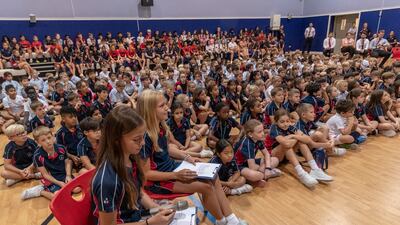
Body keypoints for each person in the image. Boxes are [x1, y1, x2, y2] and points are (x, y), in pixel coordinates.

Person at [137, 90, 248, 225]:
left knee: (213, 175)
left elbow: (169, 149)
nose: (167, 108)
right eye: (162, 106)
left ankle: (231, 220)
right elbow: (147, 174)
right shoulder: (143, 137)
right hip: (160, 181)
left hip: (172, 169)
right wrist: (176, 175)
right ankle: (223, 221)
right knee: (206, 187)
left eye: (166, 104)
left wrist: (187, 157)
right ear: (150, 110)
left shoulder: (161, 125)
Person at [91, 105, 175, 225]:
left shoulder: (131, 157)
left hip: (136, 215)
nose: (142, 143)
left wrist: (155, 207)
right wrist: (149, 223)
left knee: (176, 206)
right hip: (130, 221)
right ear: (116, 141)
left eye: (143, 137)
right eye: (136, 139)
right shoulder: (108, 181)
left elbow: (138, 192)